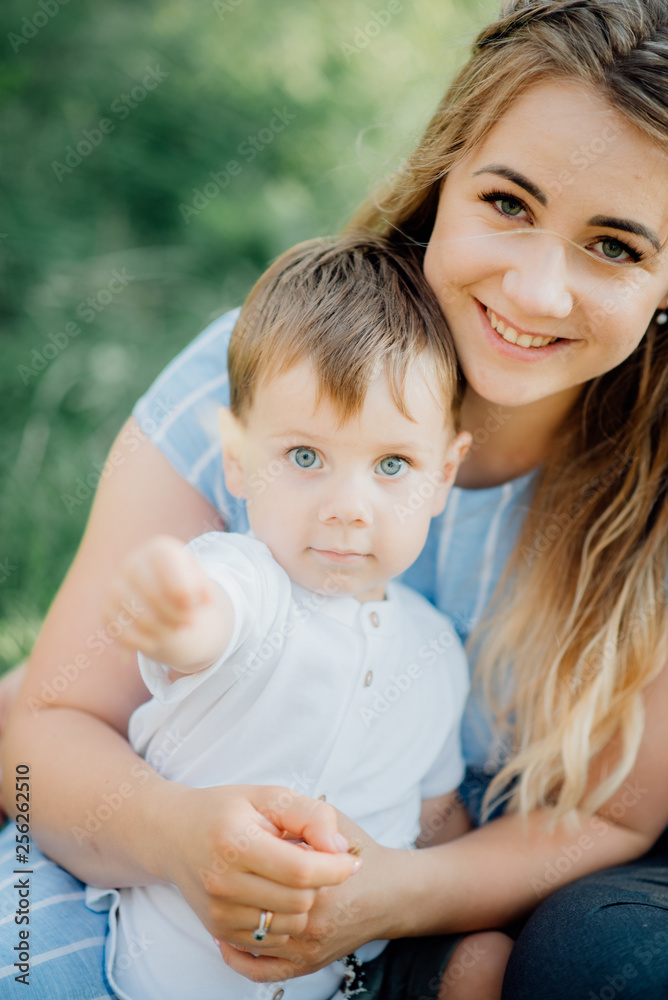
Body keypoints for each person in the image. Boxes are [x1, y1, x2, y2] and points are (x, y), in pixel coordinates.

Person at [2, 0, 668, 997]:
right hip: (160, 873)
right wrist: (177, 835)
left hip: (452, 887)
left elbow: (613, 817)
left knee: (597, 958)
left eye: (614, 247)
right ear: (441, 178)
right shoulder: (264, 380)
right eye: (505, 203)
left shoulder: (651, 484)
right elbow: (41, 738)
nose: (534, 292)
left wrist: (388, 893)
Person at [88, 235, 478, 1000]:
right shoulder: (247, 580)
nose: (347, 507)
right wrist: (175, 612)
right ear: (236, 459)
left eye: (392, 466)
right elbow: (210, 626)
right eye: (305, 457)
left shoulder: (435, 650)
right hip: (169, 980)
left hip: (344, 978)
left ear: (444, 475)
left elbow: (436, 815)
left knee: (485, 963)